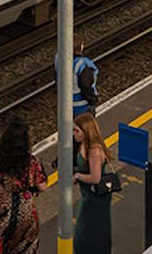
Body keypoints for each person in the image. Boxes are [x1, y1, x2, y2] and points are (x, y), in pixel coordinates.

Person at [0, 115, 46, 254]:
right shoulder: (32, 161)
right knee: (26, 245)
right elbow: (42, 186)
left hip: (5, 207)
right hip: (26, 208)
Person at [71, 112, 113, 254]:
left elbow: (96, 178)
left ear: (86, 131)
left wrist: (78, 176)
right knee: (88, 231)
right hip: (88, 196)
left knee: (87, 234)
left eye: (76, 130)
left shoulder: (94, 151)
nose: (73, 133)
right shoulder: (84, 144)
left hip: (94, 199)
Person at [56, 35, 99, 116]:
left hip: (65, 105)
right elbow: (86, 86)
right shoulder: (82, 64)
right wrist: (93, 99)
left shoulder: (58, 58)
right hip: (81, 106)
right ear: (81, 47)